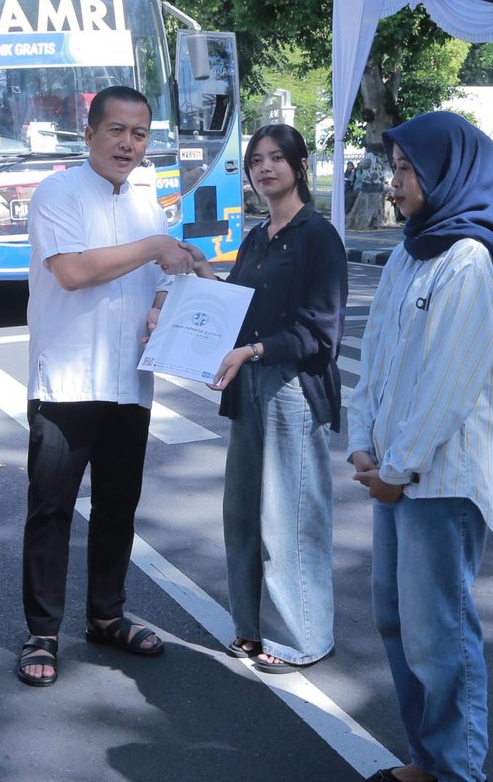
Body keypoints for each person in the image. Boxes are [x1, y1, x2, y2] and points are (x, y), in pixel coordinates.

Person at [347, 111, 493, 782]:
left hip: (442, 480)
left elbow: (447, 385)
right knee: (396, 618)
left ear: (445, 172)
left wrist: (396, 467)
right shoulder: (411, 249)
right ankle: (426, 756)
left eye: (403, 168)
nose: (393, 182)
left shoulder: (470, 259)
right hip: (397, 472)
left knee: (441, 634)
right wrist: (361, 441)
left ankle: (456, 769)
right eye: (393, 167)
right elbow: (377, 359)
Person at [16, 85, 199, 688]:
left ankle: (106, 615)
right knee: (51, 511)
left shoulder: (149, 203)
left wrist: (170, 290)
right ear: (88, 132)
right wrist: (156, 248)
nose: (128, 143)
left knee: (119, 506)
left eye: (140, 133)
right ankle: (41, 631)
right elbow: (72, 272)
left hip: (129, 382)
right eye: (117, 130)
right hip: (67, 381)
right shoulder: (57, 193)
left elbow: (168, 274)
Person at [188, 124, 346, 674]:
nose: (264, 168)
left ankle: (303, 636)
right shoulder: (258, 237)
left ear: (300, 165)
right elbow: (237, 306)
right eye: (256, 160)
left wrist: (253, 350)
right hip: (250, 386)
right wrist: (201, 275)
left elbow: (321, 333)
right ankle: (251, 629)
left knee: (292, 517)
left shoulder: (317, 236)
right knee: (244, 514)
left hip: (292, 390)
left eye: (277, 158)